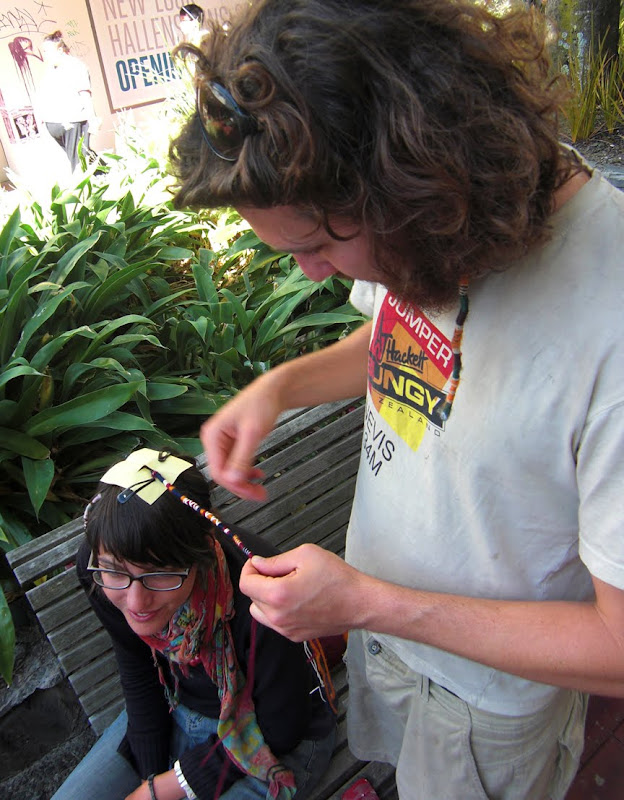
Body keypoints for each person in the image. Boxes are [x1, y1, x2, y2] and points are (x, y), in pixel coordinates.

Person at [168, 1, 624, 798]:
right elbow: (407, 345)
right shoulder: (450, 222)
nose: (310, 273)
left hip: (483, 702)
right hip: (391, 643)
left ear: (406, 177)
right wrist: (281, 388)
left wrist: (373, 602)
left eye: (314, 245)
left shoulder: (606, 312)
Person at [52, 449, 336, 800]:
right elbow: (138, 667)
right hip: (178, 708)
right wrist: (150, 774)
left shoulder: (259, 592)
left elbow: (283, 726)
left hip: (275, 738)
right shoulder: (99, 568)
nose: (137, 602)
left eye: (159, 575)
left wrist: (163, 788)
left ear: (200, 552)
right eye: (115, 571)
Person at [37, 31, 97, 171]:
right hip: (56, 122)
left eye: (47, 51)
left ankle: (94, 185)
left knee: (79, 162)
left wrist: (92, 118)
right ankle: (108, 175)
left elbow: (84, 93)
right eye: (44, 51)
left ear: (59, 50)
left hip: (72, 121)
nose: (45, 55)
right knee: (83, 156)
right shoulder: (52, 69)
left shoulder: (75, 66)